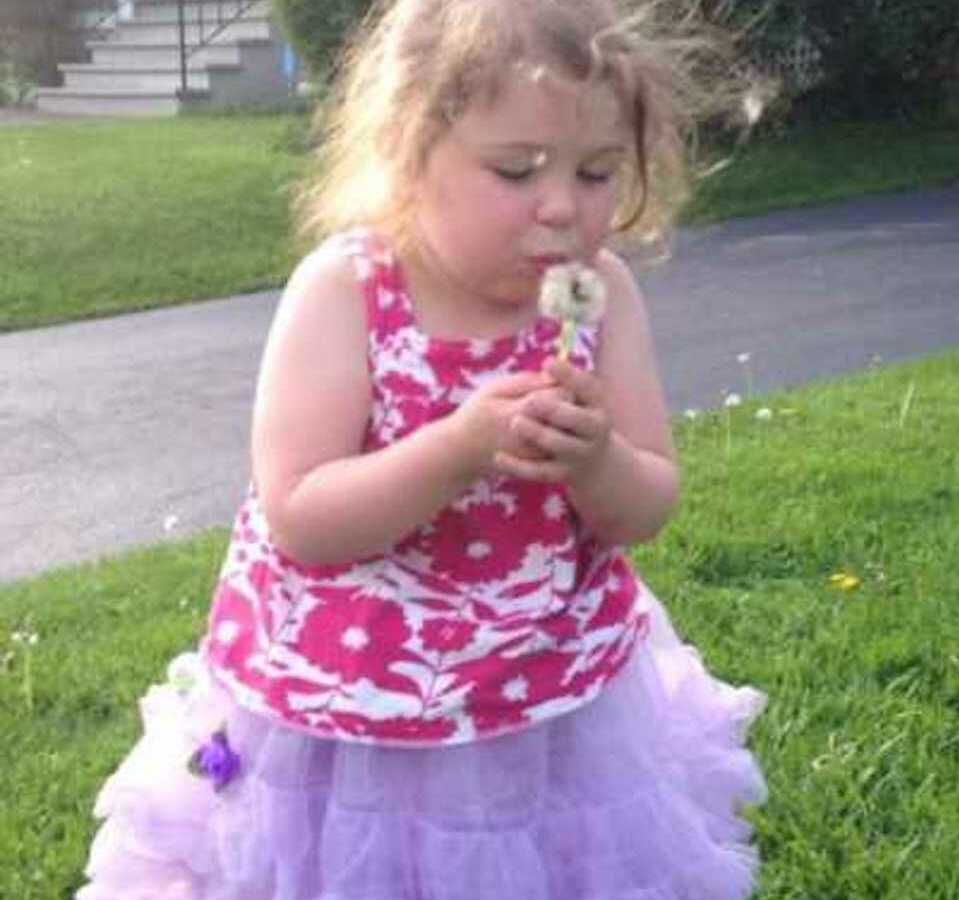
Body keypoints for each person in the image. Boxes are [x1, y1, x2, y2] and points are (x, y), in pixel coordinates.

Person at [77, 1, 767, 897]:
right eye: (516, 170)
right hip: (352, 708)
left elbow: (647, 506)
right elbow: (302, 516)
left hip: (548, 698)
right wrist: (457, 449)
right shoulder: (351, 291)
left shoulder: (599, 294)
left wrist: (596, 461)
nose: (563, 207)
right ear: (410, 154)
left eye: (598, 172)